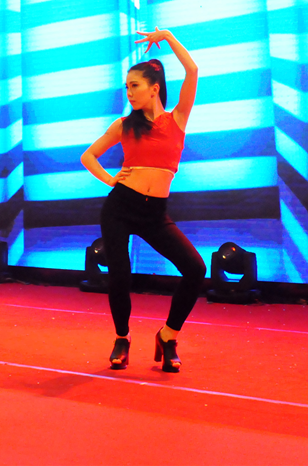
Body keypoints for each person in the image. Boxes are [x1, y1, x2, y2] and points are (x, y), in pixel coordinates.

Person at [80, 27, 205, 373]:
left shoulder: (177, 119)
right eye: (126, 87)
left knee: (195, 269)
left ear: (154, 88)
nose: (129, 92)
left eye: (134, 86)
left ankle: (168, 336)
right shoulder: (124, 125)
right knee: (120, 276)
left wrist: (168, 37)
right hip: (120, 208)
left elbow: (192, 71)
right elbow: (88, 156)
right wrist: (111, 180)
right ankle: (122, 338)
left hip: (155, 213)